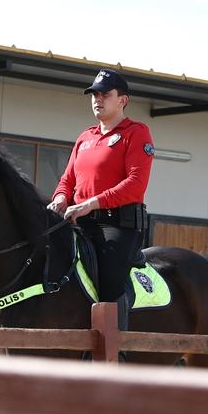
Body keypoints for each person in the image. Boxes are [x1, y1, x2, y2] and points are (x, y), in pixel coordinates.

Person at [48, 69, 153, 332]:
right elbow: (67, 179)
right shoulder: (85, 137)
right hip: (78, 222)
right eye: (94, 94)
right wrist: (61, 198)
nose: (97, 99)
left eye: (105, 94)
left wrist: (91, 203)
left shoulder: (136, 133)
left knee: (108, 281)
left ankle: (114, 349)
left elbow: (135, 185)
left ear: (122, 100)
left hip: (117, 226)